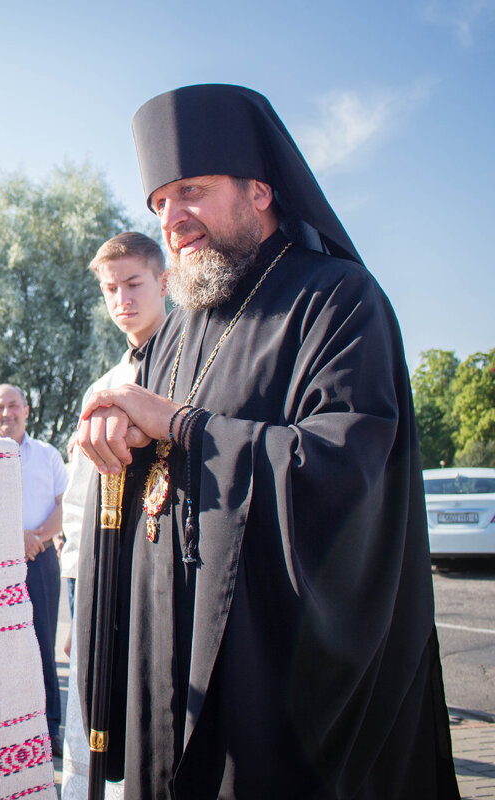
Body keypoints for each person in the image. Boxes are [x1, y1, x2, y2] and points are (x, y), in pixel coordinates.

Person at [73, 84, 459, 799]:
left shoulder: (340, 300)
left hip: (275, 676)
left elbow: (343, 470)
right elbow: (149, 469)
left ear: (259, 190)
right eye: (159, 202)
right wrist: (112, 431)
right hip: (172, 659)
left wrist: (180, 426)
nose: (172, 217)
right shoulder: (176, 330)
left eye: (191, 190)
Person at [58, 232, 168, 800]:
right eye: (109, 289)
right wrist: (78, 597)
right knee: (97, 710)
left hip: (165, 571)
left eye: (133, 283)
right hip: (104, 574)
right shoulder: (103, 386)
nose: (121, 298)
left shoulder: (191, 368)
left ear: (164, 282)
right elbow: (79, 500)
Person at [0, 383, 67, 757]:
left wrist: (36, 540)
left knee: (43, 644)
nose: (7, 413)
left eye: (13, 405)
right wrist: (14, 538)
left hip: (43, 562)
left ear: (26, 410)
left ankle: (50, 727)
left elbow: (60, 508)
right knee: (2, 646)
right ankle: (7, 728)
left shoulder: (48, 455)